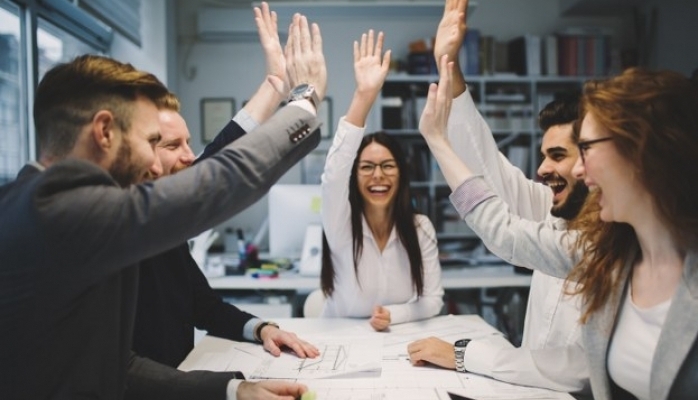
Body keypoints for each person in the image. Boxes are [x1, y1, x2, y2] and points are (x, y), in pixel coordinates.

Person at [0, 9, 326, 399]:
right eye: (150, 141)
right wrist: (304, 99)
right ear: (105, 132)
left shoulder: (45, 205)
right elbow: (221, 179)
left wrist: (233, 389)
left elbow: (118, 364)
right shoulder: (59, 211)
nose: (156, 163)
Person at [420, 52, 698, 400]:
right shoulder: (609, 255)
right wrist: (448, 81)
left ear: (639, 152)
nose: (580, 169)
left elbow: (581, 371)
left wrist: (438, 142)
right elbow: (498, 213)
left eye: (586, 149)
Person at [407, 0, 590, 394]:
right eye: (543, 155)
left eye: (557, 155)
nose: (541, 170)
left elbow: (576, 370)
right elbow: (488, 167)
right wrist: (448, 64)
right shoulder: (554, 209)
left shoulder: (613, 241)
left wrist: (462, 355)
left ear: (591, 161)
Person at [131, 3, 319, 375]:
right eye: (171, 145)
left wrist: (261, 328)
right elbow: (220, 168)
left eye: (189, 144)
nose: (190, 158)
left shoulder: (162, 228)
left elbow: (202, 306)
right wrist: (302, 99)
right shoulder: (132, 225)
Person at [319, 30, 444, 331]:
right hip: (340, 341)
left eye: (388, 166)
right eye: (367, 167)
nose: (378, 176)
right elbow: (334, 175)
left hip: (394, 340)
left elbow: (433, 299)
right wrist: (364, 96)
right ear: (355, 175)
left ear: (401, 173)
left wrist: (394, 315)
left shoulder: (420, 228)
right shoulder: (340, 223)